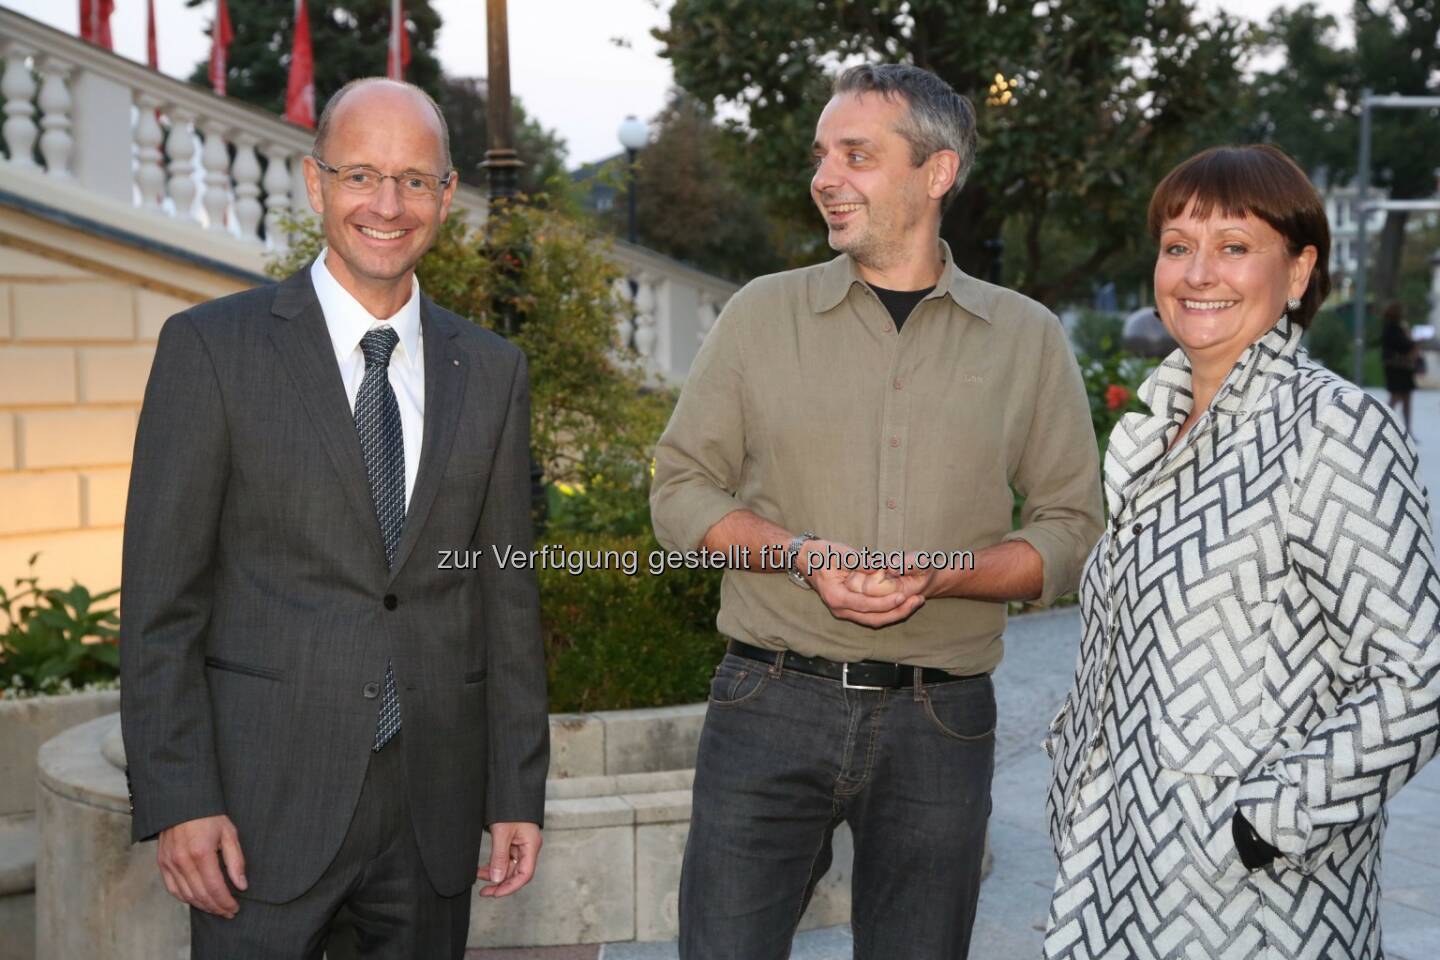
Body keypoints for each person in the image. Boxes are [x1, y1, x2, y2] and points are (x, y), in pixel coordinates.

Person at [651, 63, 1103, 960]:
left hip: (942, 721)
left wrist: (949, 575)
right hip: (767, 700)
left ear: (937, 173)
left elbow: (1071, 528)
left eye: (857, 154)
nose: (826, 176)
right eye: (822, 155)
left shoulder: (1026, 337)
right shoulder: (759, 315)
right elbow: (679, 489)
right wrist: (801, 554)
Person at [120, 78, 549, 959]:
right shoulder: (211, 351)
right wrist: (180, 797)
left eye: (414, 180)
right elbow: (161, 602)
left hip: (433, 810)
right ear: (316, 185)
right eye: (361, 175)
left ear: (446, 194)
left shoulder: (493, 371)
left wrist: (515, 789)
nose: (387, 205)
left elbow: (506, 599)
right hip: (255, 812)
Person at [1042, 144, 1440, 960]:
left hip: (1255, 900)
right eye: (1178, 245)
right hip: (1114, 863)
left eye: (1234, 246)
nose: (1197, 273)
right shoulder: (1158, 429)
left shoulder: (1332, 428)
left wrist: (1271, 822)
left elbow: (1417, 670)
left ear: (1298, 274)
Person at [1381, 300, 1419, 430]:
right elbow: (1405, 345)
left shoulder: (1393, 328)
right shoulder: (1393, 329)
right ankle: (1384, 423)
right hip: (1398, 367)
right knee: (1397, 397)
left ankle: (1406, 428)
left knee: (1404, 398)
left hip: (1399, 368)